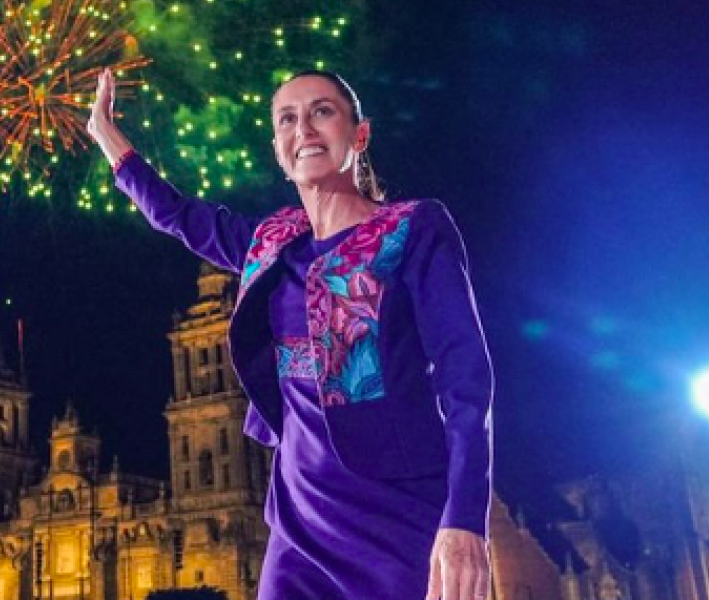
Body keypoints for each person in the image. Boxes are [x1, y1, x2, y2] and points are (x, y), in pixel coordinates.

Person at [88, 68, 493, 600]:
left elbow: (466, 379)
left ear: (359, 134)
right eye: (287, 119)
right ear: (279, 150)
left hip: (395, 516)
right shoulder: (269, 243)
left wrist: (464, 517)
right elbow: (176, 214)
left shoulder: (412, 228)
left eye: (322, 111)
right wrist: (107, 136)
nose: (303, 128)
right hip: (298, 523)